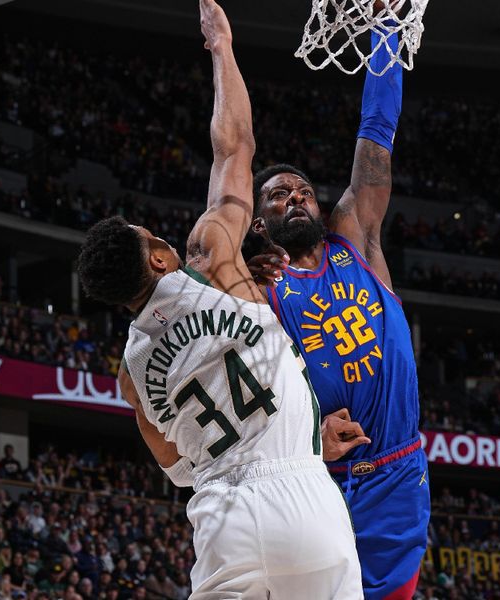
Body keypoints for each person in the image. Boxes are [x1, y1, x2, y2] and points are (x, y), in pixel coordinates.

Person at [75, 1, 361, 599]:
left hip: (222, 518)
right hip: (309, 505)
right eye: (149, 234)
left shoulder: (131, 374)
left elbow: (177, 465)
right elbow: (235, 147)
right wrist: (222, 48)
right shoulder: (212, 257)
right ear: (158, 257)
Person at [246, 16, 429, 600]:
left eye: (302, 191)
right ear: (259, 222)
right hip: (316, 480)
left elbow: (376, 135)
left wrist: (385, 30)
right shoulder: (256, 291)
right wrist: (305, 441)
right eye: (279, 195)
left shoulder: (355, 238)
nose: (296, 198)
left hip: (397, 471)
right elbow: (245, 409)